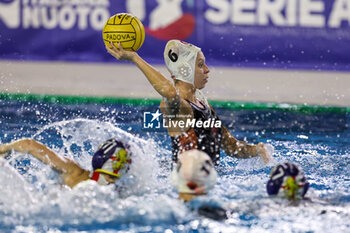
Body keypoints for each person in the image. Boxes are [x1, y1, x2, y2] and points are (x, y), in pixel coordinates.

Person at [106, 40, 271, 165]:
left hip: (209, 179)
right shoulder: (178, 107)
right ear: (185, 70)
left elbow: (231, 147)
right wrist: (135, 58)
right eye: (200, 65)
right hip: (187, 184)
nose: (207, 69)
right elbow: (170, 92)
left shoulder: (202, 102)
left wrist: (255, 150)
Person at [0, 138, 132, 188]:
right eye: (110, 177)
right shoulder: (74, 172)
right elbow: (29, 144)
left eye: (116, 178)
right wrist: (4, 149)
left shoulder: (120, 192)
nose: (112, 183)